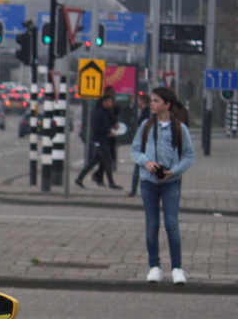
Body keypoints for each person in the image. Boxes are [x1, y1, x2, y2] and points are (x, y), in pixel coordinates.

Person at [131, 86, 195, 285]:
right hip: (149, 183)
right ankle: (154, 267)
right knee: (152, 225)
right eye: (152, 101)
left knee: (171, 224)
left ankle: (177, 268)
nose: (152, 104)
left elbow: (190, 156)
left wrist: (173, 171)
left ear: (167, 105)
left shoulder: (180, 128)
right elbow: (134, 151)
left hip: (171, 183)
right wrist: (147, 162)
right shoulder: (146, 126)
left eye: (156, 101)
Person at [74, 92, 119, 189]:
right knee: (108, 161)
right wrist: (108, 132)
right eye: (110, 102)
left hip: (103, 140)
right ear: (104, 102)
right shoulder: (100, 113)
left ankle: (79, 178)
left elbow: (110, 122)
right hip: (100, 141)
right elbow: (97, 127)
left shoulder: (106, 112)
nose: (112, 104)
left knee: (93, 162)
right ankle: (111, 183)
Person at [127, 91, 152, 197]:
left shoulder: (146, 115)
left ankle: (134, 190)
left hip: (144, 145)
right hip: (147, 144)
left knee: (139, 168)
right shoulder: (147, 113)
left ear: (142, 102)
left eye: (138, 101)